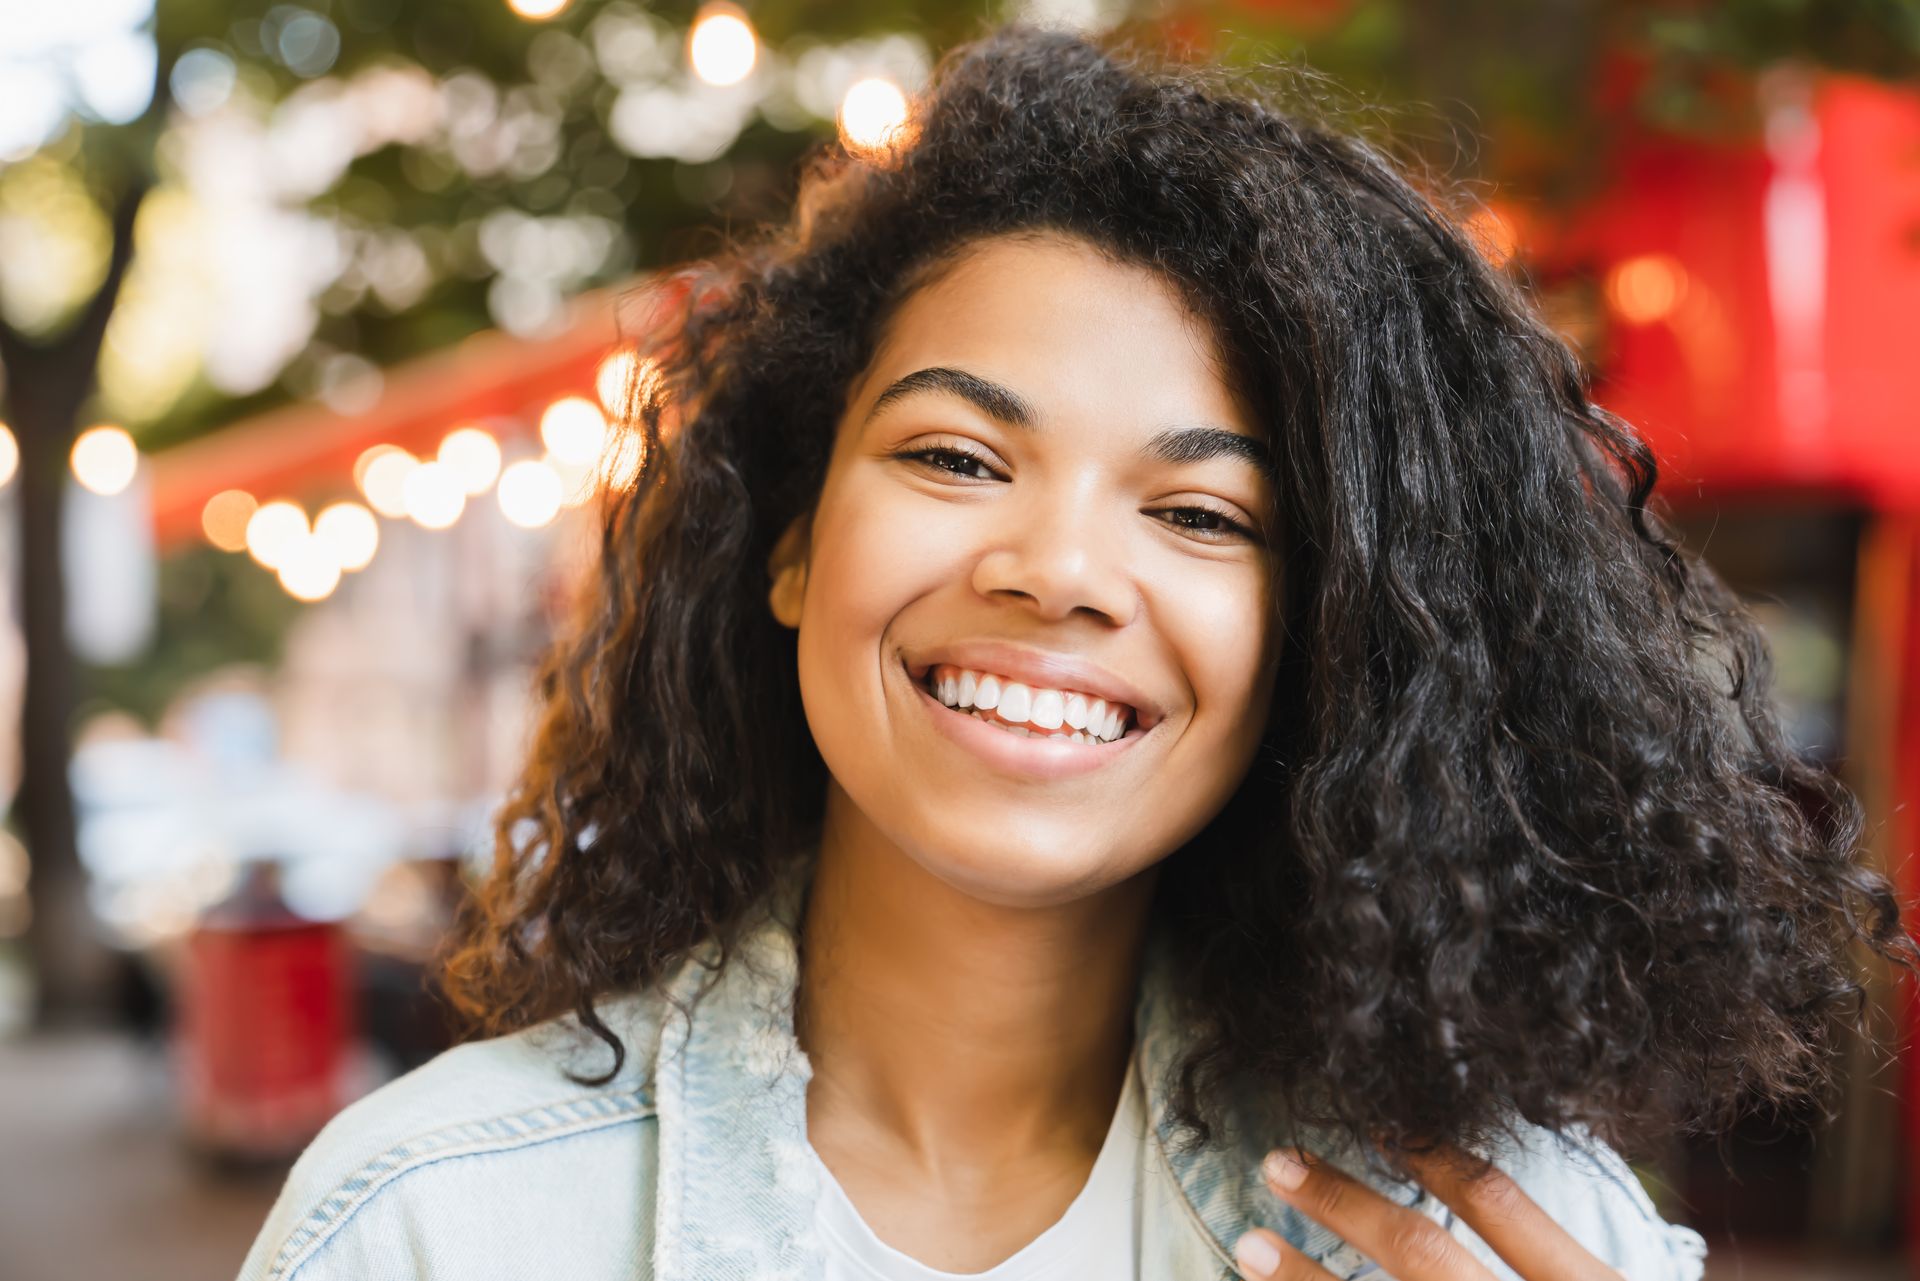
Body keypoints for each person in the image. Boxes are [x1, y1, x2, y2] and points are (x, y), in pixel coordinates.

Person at [238, 21, 1915, 1281]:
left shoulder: (1507, 1241)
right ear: (794, 544)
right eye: (957, 459)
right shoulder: (433, 1222)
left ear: (1326, 647)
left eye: (1202, 515)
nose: (1056, 569)